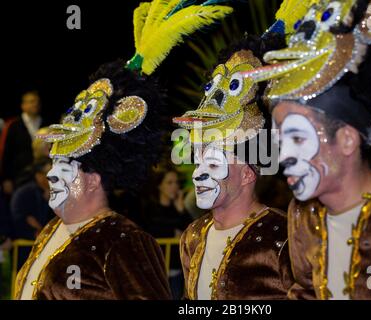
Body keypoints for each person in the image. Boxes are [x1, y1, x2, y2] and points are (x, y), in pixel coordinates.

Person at [15, 1, 233, 300]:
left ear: (93, 179)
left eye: (64, 165)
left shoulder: (124, 242)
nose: (50, 174)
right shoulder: (51, 230)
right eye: (53, 163)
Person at [243, 0, 371, 299]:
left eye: (297, 139)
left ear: (347, 139)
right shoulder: (305, 223)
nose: (283, 155)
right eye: (279, 141)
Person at [173, 0, 308, 298]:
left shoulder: (282, 237)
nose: (198, 174)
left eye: (213, 162)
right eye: (198, 161)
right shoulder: (193, 236)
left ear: (248, 173)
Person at [142, 166, 192, 300]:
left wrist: (181, 210)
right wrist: (173, 231)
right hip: (154, 273)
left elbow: (190, 233)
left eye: (176, 183)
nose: (174, 187)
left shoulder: (178, 208)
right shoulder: (149, 208)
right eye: (169, 183)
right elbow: (149, 231)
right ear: (159, 185)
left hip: (176, 271)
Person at [11, 158, 53, 268]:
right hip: (26, 251)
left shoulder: (58, 192)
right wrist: (35, 231)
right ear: (38, 175)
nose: (53, 176)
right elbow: (18, 218)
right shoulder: (24, 193)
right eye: (48, 172)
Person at [1, 90, 44, 194]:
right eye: (31, 101)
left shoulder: (45, 123)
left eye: (37, 101)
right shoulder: (13, 125)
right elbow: (5, 152)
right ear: (23, 105)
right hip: (19, 178)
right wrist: (5, 179)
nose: (35, 104)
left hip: (42, 178)